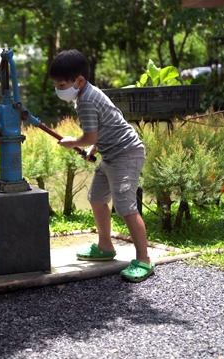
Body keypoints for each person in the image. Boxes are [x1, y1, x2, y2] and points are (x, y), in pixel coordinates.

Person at [50, 49, 154, 283]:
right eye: (56, 84)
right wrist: (93, 150)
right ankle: (105, 246)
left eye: (61, 84)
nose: (58, 89)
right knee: (97, 197)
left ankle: (144, 259)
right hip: (110, 154)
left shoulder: (86, 99)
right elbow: (108, 123)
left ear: (79, 80)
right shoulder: (86, 94)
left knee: (125, 206)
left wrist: (73, 143)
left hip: (126, 154)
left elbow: (89, 135)